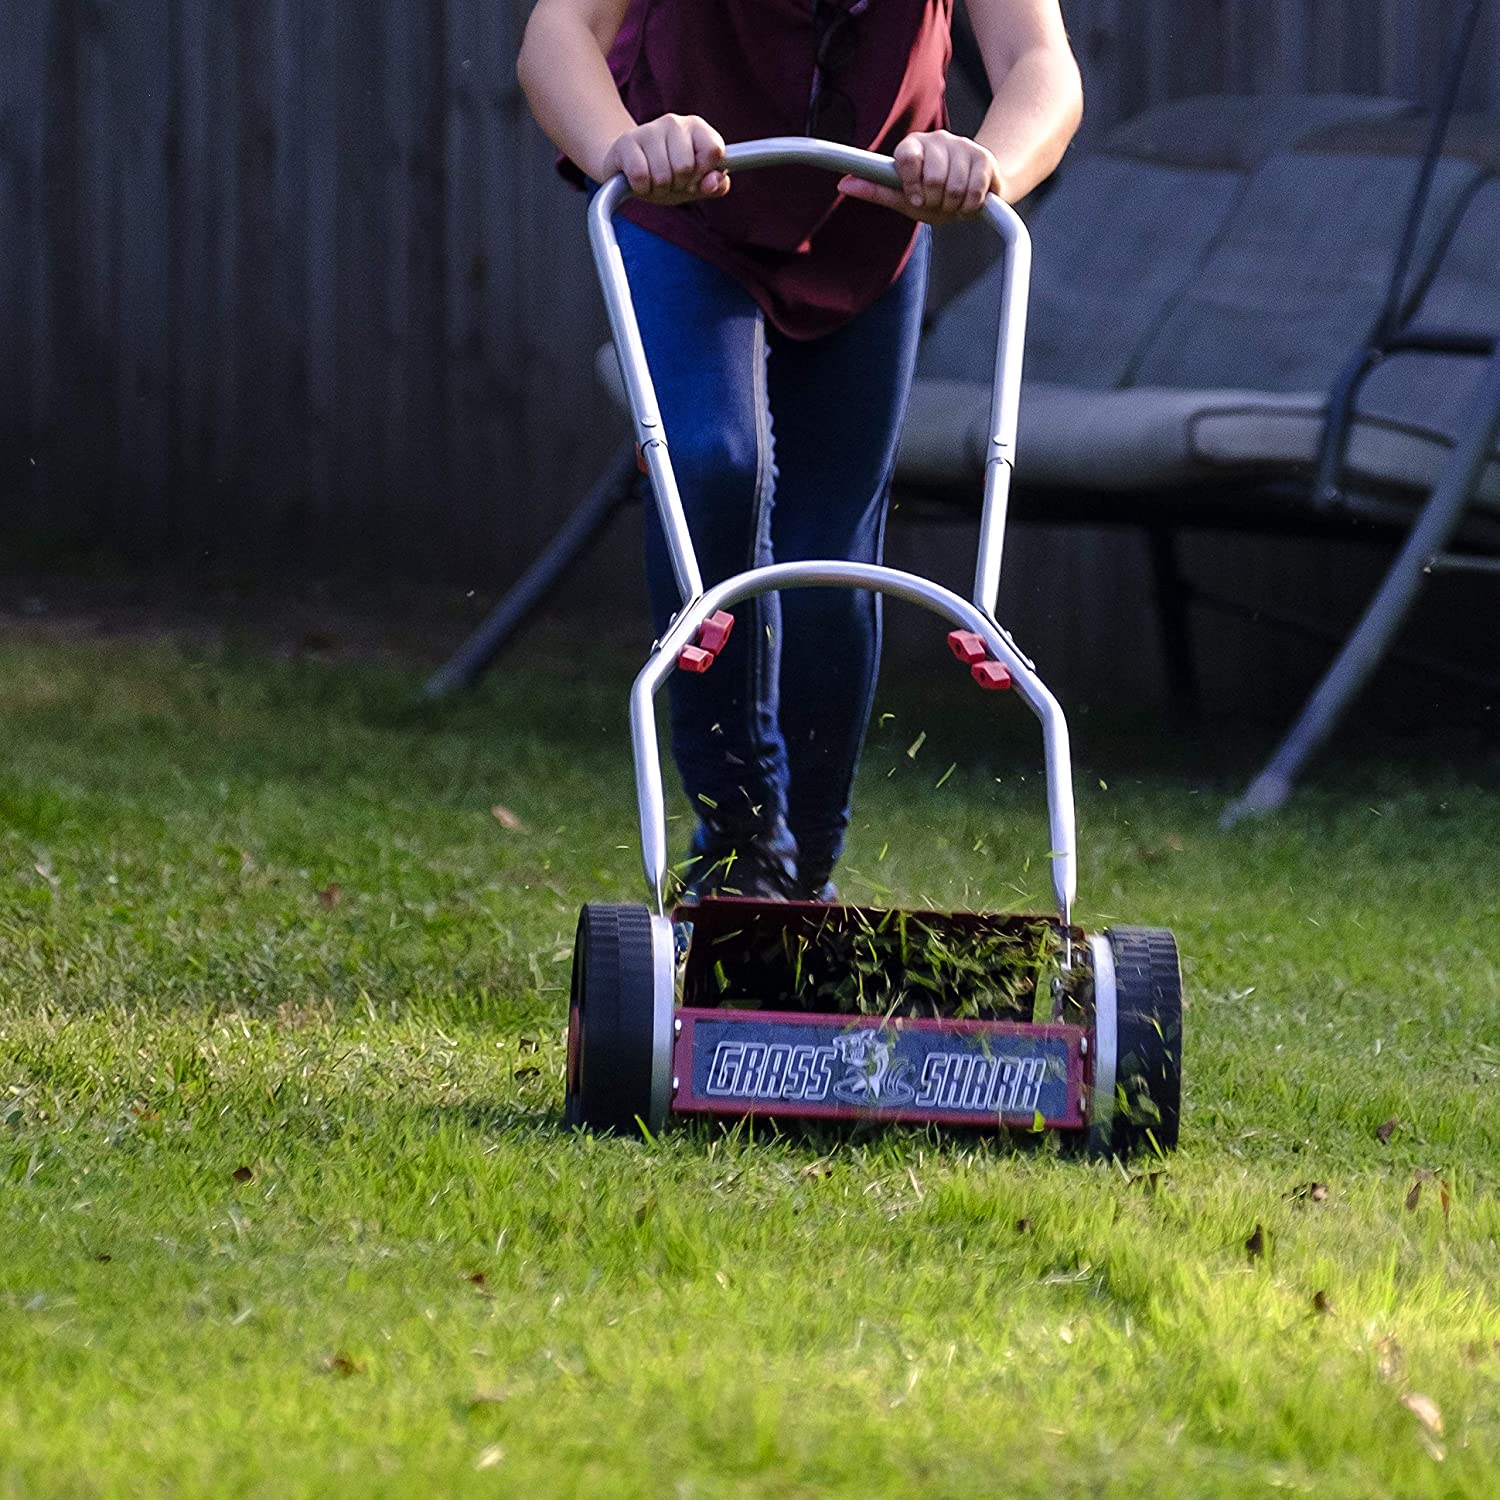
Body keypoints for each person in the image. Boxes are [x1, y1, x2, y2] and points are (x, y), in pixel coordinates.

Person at [518, 0, 1082, 901]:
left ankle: (807, 874)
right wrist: (622, 144)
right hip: (683, 204)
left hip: (872, 225)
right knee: (709, 462)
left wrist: (986, 165)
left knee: (833, 567)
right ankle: (740, 849)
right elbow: (557, 39)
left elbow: (1040, 63)